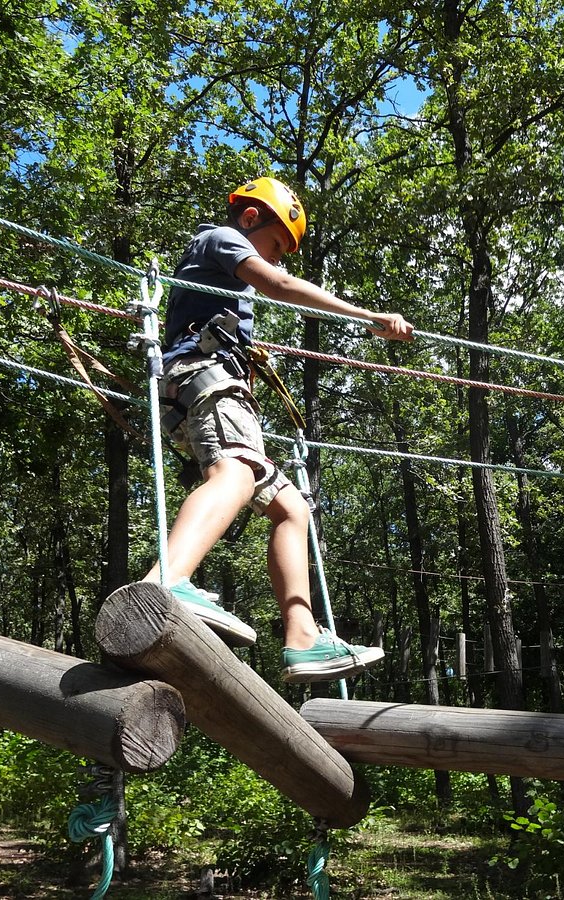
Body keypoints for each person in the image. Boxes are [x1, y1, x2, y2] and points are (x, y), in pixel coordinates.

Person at [143, 176, 413, 683]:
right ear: (250, 219)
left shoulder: (227, 267)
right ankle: (167, 579)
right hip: (203, 377)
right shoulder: (219, 239)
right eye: (274, 246)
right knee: (237, 471)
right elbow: (279, 286)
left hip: (214, 383)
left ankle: (303, 638)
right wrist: (369, 316)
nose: (276, 260)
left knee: (293, 510)